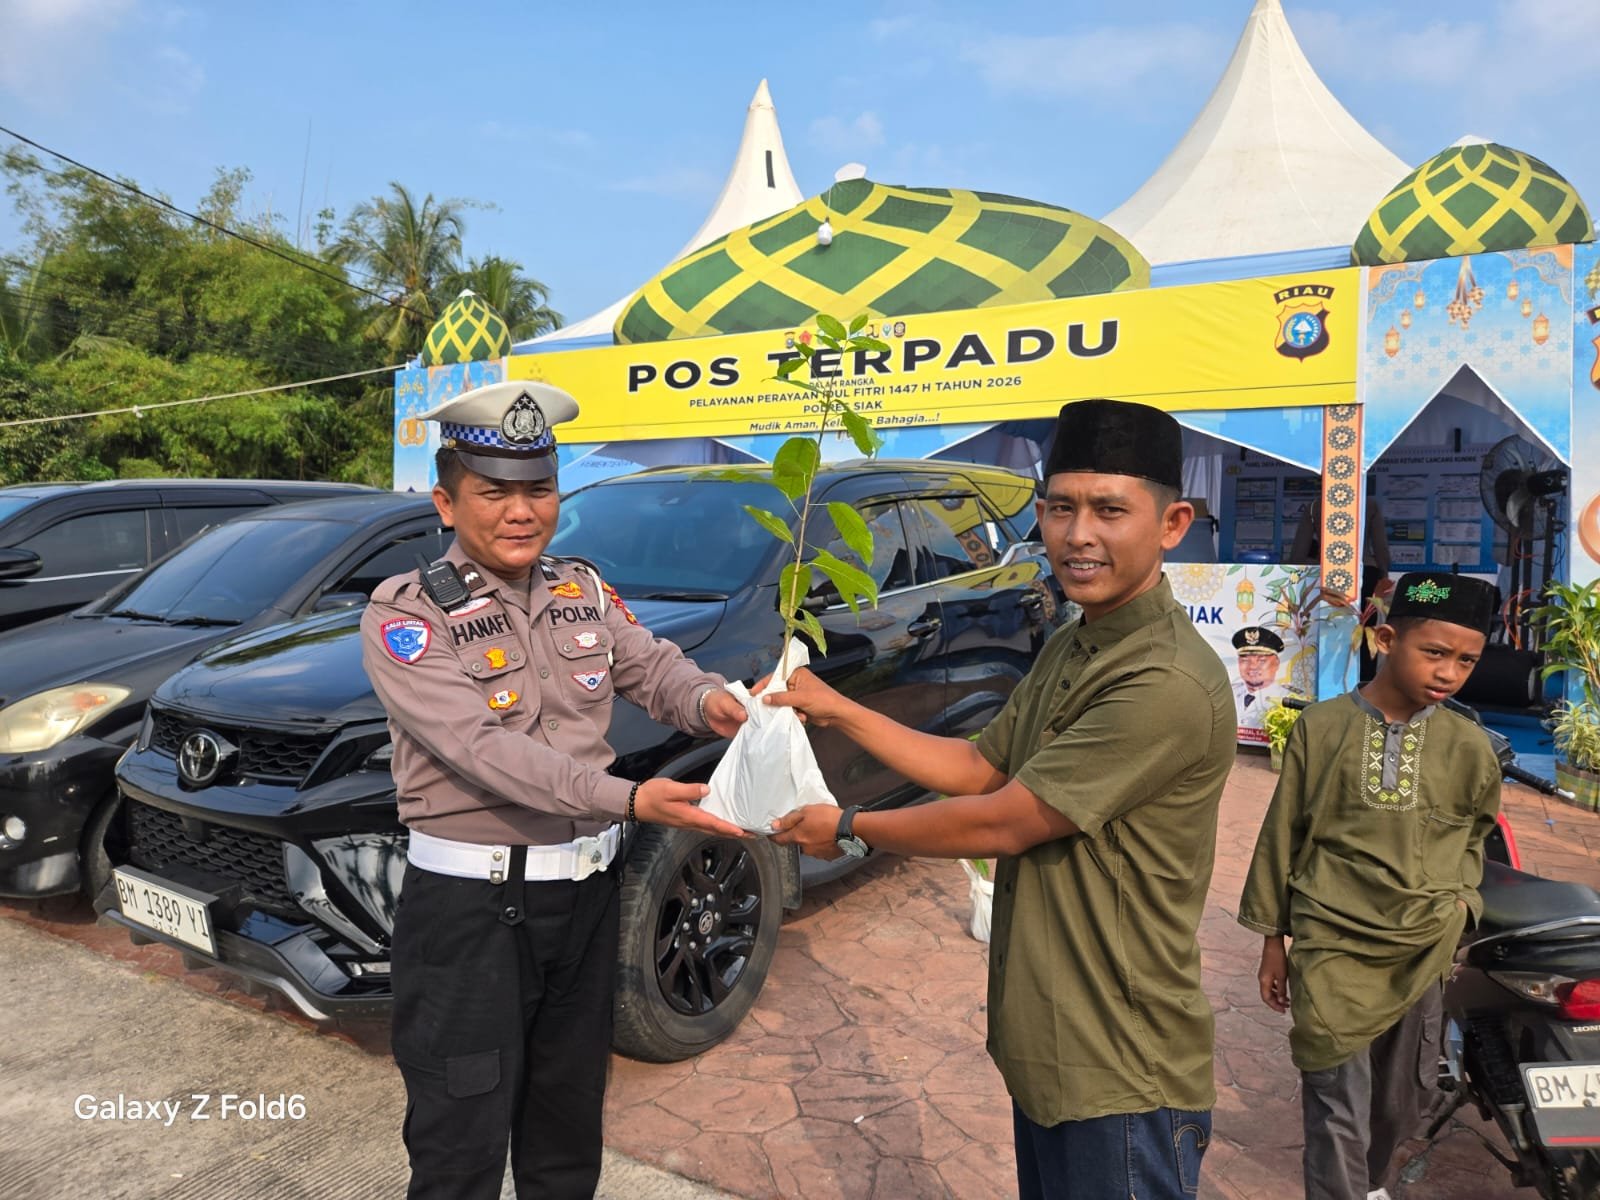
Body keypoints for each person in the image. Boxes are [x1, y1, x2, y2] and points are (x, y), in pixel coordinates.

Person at [766, 397, 1237, 1200]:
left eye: (1109, 510)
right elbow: (981, 766)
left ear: (1172, 524)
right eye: (1060, 507)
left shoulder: (1164, 679)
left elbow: (1003, 821)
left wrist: (848, 825)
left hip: (1121, 1067)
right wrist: (837, 708)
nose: (1077, 534)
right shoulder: (1076, 642)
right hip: (1054, 1046)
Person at [360, 379, 750, 1200]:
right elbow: (481, 750)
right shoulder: (408, 614)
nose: (520, 512)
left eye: (538, 490)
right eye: (493, 493)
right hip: (471, 914)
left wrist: (713, 701)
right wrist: (627, 799)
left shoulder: (582, 589)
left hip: (585, 898)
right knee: (459, 1143)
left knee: (567, 1128)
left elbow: (653, 668)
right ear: (446, 503)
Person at [1237, 571, 1502, 1200]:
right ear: (1386, 639)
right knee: (1336, 1101)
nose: (1449, 673)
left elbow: (1476, 838)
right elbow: (1283, 833)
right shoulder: (1322, 727)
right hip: (1331, 942)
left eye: (1466, 661)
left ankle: (1368, 1183)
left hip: (1421, 946)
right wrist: (1273, 940)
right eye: (1434, 652)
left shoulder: (1470, 747)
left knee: (1403, 1100)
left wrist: (1460, 908)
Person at [1233, 624, 1286, 731]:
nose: (1253, 666)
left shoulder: (1286, 697)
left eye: (1262, 661)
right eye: (1245, 660)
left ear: (1276, 663)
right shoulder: (1229, 693)